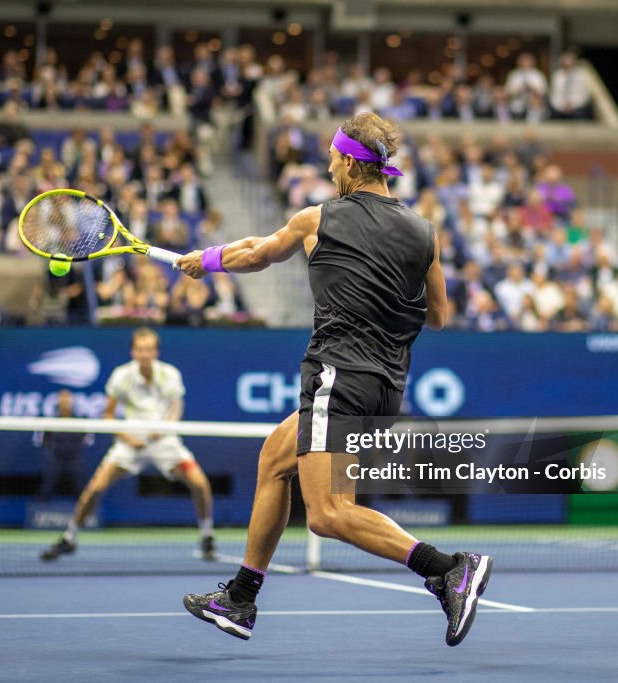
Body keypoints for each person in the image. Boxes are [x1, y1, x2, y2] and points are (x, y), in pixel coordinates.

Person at [177, 112, 491, 646]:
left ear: (349, 162)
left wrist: (206, 259)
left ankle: (447, 568)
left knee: (327, 513)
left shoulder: (318, 218)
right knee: (275, 460)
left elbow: (255, 253)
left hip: (337, 375)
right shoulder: (424, 232)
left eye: (331, 157)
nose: (327, 164)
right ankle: (242, 597)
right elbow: (438, 315)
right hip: (384, 386)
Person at [40, 327, 218, 562]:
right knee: (95, 488)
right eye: (140, 349)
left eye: (149, 349)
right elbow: (109, 415)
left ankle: (207, 535)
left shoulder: (170, 374)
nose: (145, 354)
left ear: (156, 351)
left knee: (200, 484)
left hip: (164, 442)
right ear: (133, 351)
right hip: (129, 444)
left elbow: (176, 407)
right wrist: (127, 437)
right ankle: (69, 538)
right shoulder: (121, 376)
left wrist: (164, 428)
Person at [33, 390, 89, 499]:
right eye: (62, 400)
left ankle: (85, 512)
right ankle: (41, 508)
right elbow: (45, 440)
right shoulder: (52, 421)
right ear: (58, 402)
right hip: (56, 458)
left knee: (82, 488)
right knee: (46, 485)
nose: (65, 403)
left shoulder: (79, 421)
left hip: (74, 459)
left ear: (71, 402)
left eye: (67, 400)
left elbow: (85, 438)